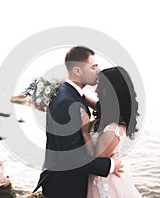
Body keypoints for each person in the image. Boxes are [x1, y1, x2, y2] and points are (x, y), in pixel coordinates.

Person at [33, 46, 123, 198]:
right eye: (93, 67)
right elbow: (71, 157)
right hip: (65, 187)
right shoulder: (66, 102)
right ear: (77, 71)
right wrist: (111, 165)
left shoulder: (72, 94)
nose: (99, 70)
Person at [81, 66, 142, 197]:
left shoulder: (114, 128)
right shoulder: (107, 111)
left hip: (104, 184)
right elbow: (87, 98)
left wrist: (85, 131)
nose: (96, 90)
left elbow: (96, 159)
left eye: (101, 86)